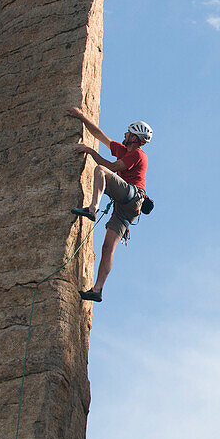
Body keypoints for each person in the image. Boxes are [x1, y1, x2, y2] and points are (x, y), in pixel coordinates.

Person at [64, 106, 152, 302]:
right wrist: (81, 116)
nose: (125, 134)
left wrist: (89, 151)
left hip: (133, 197)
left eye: (128, 133)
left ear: (135, 138)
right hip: (127, 208)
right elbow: (99, 134)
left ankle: (92, 209)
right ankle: (97, 289)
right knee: (107, 247)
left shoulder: (137, 155)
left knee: (101, 170)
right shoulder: (123, 150)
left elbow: (111, 168)